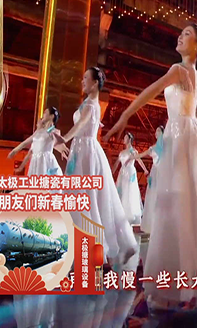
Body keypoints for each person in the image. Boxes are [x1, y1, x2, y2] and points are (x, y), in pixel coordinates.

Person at [103, 24, 197, 309]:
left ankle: (183, 285)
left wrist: (125, 115)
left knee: (178, 208)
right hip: (190, 138)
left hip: (182, 138)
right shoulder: (194, 74)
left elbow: (150, 91)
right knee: (192, 208)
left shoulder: (179, 69)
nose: (180, 36)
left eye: (187, 34)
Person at [55, 67, 137, 265]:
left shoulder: (91, 105)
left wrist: (64, 138)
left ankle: (91, 247)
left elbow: (81, 125)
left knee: (88, 198)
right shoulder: (87, 103)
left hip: (86, 153)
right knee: (88, 198)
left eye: (85, 78)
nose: (82, 81)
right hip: (81, 150)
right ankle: (80, 245)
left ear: (94, 83)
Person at [8, 107, 69, 175]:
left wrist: (61, 148)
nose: (43, 115)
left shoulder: (54, 131)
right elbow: (26, 144)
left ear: (52, 116)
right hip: (35, 163)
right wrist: (15, 151)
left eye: (45, 113)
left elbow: (57, 141)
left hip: (45, 162)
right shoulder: (38, 132)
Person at [112, 132, 148, 225]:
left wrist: (145, 170)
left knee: (130, 192)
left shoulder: (133, 151)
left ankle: (130, 215)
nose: (124, 139)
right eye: (124, 138)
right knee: (122, 191)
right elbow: (116, 163)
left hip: (130, 172)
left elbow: (139, 160)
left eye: (125, 138)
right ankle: (121, 214)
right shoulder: (121, 153)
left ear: (130, 139)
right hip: (122, 173)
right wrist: (111, 173)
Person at [138, 126, 164, 233]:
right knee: (152, 195)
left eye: (158, 131)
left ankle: (161, 223)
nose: (156, 133)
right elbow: (142, 154)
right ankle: (152, 223)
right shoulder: (152, 148)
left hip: (163, 172)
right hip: (154, 172)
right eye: (156, 131)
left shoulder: (167, 147)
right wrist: (134, 156)